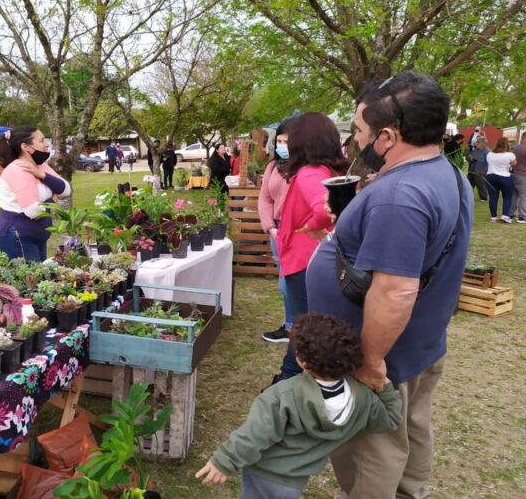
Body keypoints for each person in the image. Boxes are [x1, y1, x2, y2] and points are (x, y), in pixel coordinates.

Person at [305, 71, 473, 498]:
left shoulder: (401, 195)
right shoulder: (446, 173)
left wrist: (370, 360)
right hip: (421, 344)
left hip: (385, 355)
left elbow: (395, 290)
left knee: (371, 445)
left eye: (359, 132)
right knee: (411, 427)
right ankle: (409, 492)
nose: (355, 142)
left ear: (387, 136)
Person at [195, 314, 402, 498]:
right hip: (295, 481)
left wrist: (224, 460)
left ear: (303, 361)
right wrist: (384, 385)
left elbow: (255, 433)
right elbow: (390, 420)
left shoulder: (282, 396)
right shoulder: (363, 398)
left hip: (264, 473)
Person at [274, 112, 347, 382]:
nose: (285, 146)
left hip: (303, 261)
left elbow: (325, 210)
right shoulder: (328, 170)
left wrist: (310, 225)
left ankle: (288, 378)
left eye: (289, 140)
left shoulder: (309, 173)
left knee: (303, 326)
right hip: (311, 260)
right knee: (307, 323)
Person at [0, 125, 71, 262]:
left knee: (41, 279)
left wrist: (42, 175)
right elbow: (34, 211)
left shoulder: (40, 166)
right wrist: (52, 199)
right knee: (30, 282)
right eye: (42, 141)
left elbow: (65, 190)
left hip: (37, 235)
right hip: (19, 237)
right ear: (26, 147)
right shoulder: (18, 170)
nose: (47, 144)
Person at [258, 121, 293, 343]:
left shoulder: (307, 168)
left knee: (291, 280)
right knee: (284, 279)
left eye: (286, 142)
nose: (281, 146)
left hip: (299, 230)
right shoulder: (272, 167)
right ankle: (290, 323)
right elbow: (265, 199)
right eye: (279, 141)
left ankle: (297, 326)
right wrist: (270, 227)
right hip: (277, 230)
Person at [485, 137, 517, 223]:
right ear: (507, 145)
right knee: (507, 197)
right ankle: (504, 215)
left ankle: (493, 217)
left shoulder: (489, 154)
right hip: (505, 177)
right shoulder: (510, 154)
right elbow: (514, 163)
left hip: (490, 176)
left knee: (493, 197)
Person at [466, 135, 489, 201]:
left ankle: (483, 198)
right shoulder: (474, 150)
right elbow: (469, 156)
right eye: (476, 142)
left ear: (483, 143)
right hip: (471, 171)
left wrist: (484, 171)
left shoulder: (487, 152)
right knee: (469, 185)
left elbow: (489, 163)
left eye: (478, 142)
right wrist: (469, 158)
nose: (476, 143)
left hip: (480, 172)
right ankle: (469, 196)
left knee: (481, 186)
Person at [511, 133, 526, 222]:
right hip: (523, 175)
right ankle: (523, 216)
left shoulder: (515, 148)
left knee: (514, 195)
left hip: (514, 173)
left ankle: (510, 214)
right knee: (523, 196)